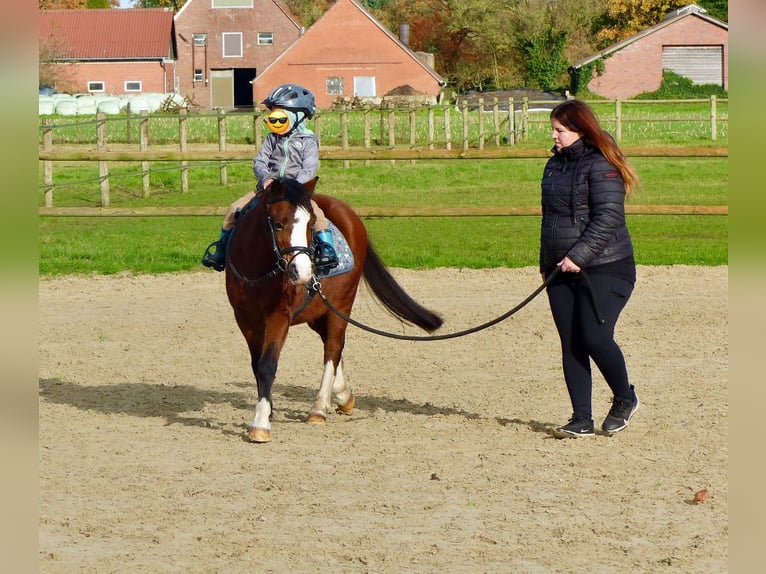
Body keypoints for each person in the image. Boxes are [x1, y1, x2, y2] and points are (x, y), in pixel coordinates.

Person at [539, 99, 640, 439]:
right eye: (553, 129)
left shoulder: (601, 166)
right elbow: (551, 220)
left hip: (607, 267)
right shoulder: (554, 166)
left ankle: (625, 397)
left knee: (594, 335)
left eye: (560, 130)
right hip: (560, 269)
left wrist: (578, 256)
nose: (553, 136)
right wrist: (548, 263)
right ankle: (581, 417)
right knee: (571, 342)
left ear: (580, 131)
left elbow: (608, 217)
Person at [202, 84, 338, 273]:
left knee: (318, 215)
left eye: (280, 116)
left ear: (297, 116)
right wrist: (265, 177)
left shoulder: (308, 141)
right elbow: (260, 161)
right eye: (273, 116)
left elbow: (309, 167)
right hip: (267, 189)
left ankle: (326, 250)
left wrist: (295, 186)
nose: (274, 121)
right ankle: (222, 249)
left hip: (295, 192)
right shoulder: (272, 139)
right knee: (234, 208)